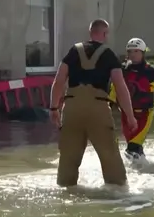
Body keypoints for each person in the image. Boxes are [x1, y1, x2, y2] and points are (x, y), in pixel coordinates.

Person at [49, 19, 137, 188]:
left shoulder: (73, 51)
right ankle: (119, 193)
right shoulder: (109, 55)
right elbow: (120, 87)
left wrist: (54, 108)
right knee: (110, 156)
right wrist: (130, 116)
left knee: (68, 157)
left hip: (72, 106)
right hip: (98, 108)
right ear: (104, 34)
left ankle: (66, 189)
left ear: (90, 32)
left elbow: (59, 81)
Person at [109, 37, 154, 160]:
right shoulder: (123, 70)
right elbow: (115, 88)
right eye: (130, 51)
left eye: (136, 51)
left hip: (144, 115)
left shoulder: (152, 72)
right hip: (126, 114)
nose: (132, 54)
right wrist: (110, 104)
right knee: (133, 147)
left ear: (142, 52)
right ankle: (145, 169)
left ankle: (137, 173)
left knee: (132, 148)